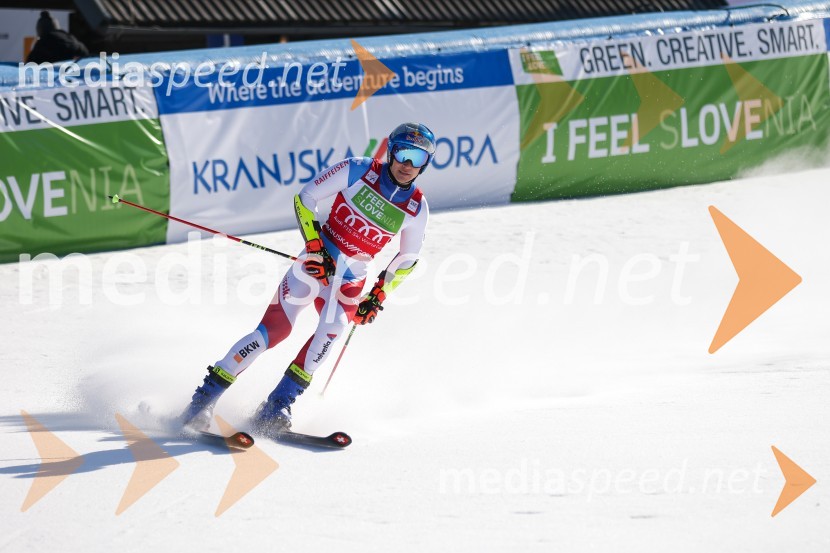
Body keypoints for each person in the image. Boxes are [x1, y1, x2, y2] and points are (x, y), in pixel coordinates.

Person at [180, 122, 435, 436]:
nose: (408, 164)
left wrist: (379, 293)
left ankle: (275, 408)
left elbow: (407, 259)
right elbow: (306, 198)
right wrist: (315, 247)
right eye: (404, 153)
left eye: (419, 158)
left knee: (333, 329)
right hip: (315, 265)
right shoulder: (358, 169)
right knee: (273, 332)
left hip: (350, 280)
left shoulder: (416, 207)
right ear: (392, 150)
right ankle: (202, 401)